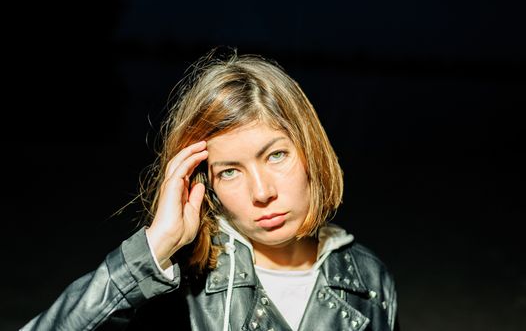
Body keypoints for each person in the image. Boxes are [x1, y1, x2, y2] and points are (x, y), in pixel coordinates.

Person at [22, 49, 399, 331]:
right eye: (230, 171)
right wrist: (151, 250)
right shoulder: (178, 285)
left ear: (311, 153)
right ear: (207, 185)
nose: (262, 191)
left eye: (276, 155)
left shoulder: (368, 278)